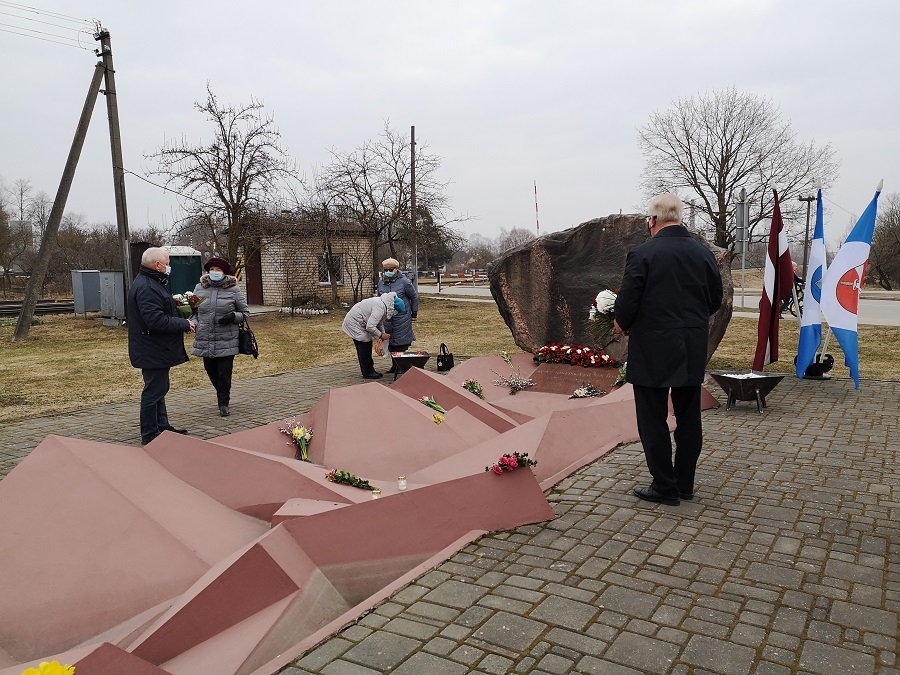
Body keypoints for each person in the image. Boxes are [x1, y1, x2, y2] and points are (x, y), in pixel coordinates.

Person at [613, 194, 723, 506]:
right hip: (690, 346)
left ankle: (664, 486)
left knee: (652, 419)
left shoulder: (643, 254)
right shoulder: (703, 255)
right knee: (689, 417)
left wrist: (621, 320)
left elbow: (628, 302)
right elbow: (714, 300)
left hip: (652, 349)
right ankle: (684, 483)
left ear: (652, 220)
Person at [127, 246, 196, 445]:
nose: (169, 267)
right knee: (154, 391)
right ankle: (149, 434)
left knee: (159, 388)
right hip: (152, 349)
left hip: (154, 348)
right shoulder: (147, 287)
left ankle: (162, 426)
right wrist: (184, 323)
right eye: (167, 263)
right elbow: (155, 321)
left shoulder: (150, 282)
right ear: (157, 265)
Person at [190, 256, 251, 417]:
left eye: (218, 270)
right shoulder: (199, 288)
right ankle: (222, 393)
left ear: (224, 273)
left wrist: (233, 317)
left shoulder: (234, 290)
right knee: (210, 370)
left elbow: (245, 313)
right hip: (205, 338)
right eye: (212, 270)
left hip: (227, 339)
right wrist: (193, 323)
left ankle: (223, 403)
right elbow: (193, 312)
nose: (214, 272)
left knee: (224, 372)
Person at [341, 291, 405, 379]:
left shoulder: (384, 305)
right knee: (364, 345)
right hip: (354, 323)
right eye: (396, 312)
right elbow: (370, 326)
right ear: (393, 308)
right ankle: (367, 372)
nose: (396, 314)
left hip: (360, 322)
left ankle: (369, 370)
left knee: (366, 343)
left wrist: (382, 333)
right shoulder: (380, 307)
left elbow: (379, 322)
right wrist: (381, 335)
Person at [376, 257, 419, 373]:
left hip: (402, 317)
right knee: (390, 341)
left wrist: (414, 313)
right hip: (387, 317)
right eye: (386, 269)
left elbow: (414, 297)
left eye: (391, 269)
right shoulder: (381, 282)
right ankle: (394, 365)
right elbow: (379, 298)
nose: (388, 272)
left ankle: (402, 365)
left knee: (401, 342)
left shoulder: (405, 282)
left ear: (396, 269)